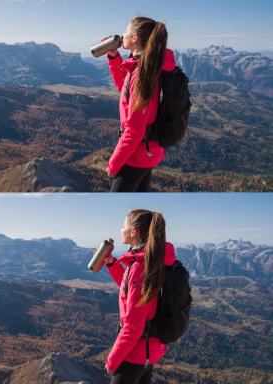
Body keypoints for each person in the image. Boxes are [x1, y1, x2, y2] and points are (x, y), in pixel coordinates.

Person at [102, 209, 176, 384]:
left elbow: (133, 325)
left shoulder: (139, 266)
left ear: (133, 231)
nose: (121, 229)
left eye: (123, 225)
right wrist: (112, 264)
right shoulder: (149, 259)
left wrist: (112, 361)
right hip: (148, 349)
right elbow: (134, 290)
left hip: (135, 353)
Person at [105, 17, 176, 192]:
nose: (123, 35)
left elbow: (135, 130)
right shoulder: (144, 66)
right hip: (146, 154)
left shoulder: (141, 72)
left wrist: (113, 165)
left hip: (135, 157)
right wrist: (114, 57)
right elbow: (126, 88)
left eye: (126, 31)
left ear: (135, 38)